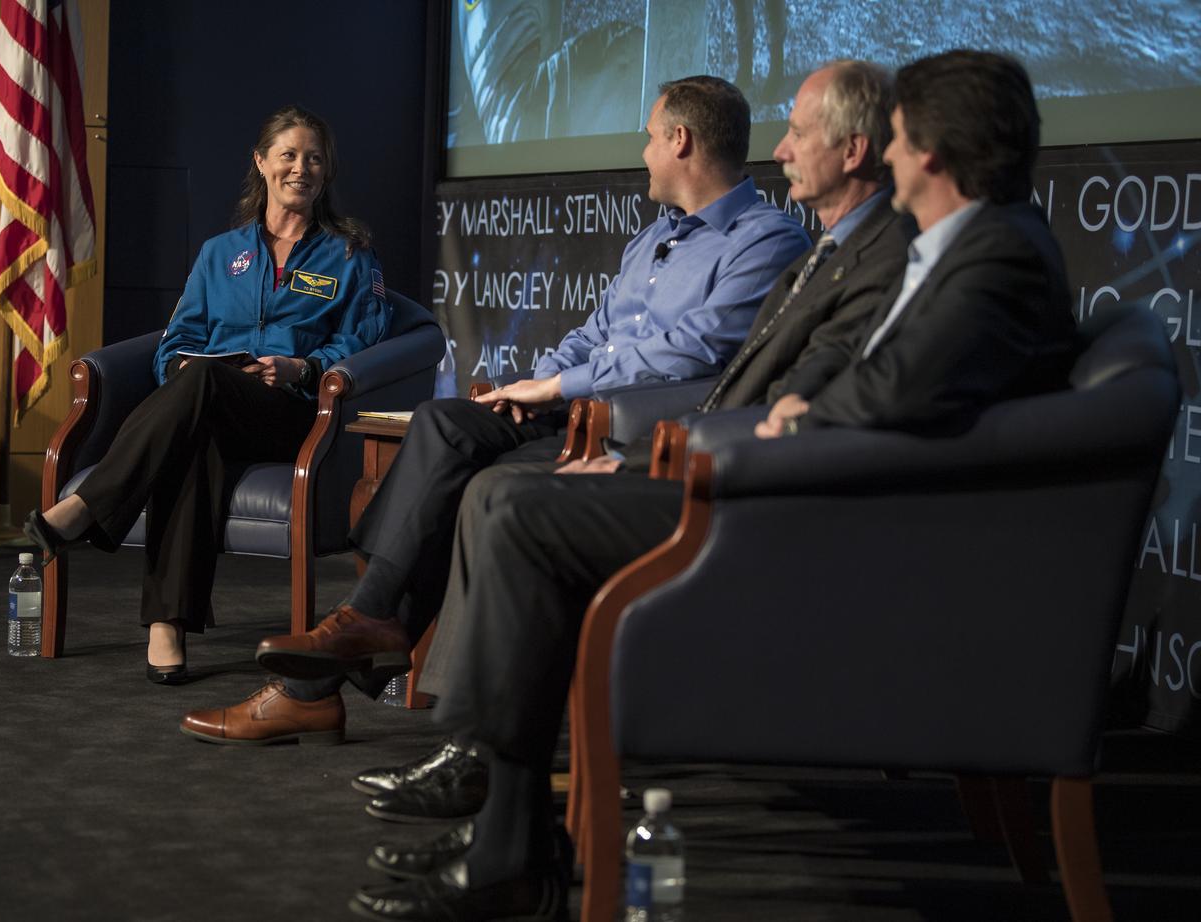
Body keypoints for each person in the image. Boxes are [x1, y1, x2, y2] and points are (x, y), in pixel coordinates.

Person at [347, 50, 1079, 922]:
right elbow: (866, 382)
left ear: (925, 149)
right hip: (778, 480)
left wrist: (778, 420)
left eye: (895, 136)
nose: (881, 151)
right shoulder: (946, 245)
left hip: (803, 521)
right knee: (508, 494)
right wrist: (754, 421)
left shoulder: (993, 251)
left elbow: (887, 397)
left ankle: (501, 819)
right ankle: (503, 815)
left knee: (518, 507)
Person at [359, 59, 916, 817]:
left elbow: (728, 370)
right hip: (671, 439)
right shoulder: (818, 248)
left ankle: (479, 757)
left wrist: (635, 448)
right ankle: (399, 658)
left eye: (795, 133)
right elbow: (651, 351)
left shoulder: (812, 246)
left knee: (505, 495)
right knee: (455, 429)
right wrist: (545, 386)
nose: (780, 151)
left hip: (716, 470)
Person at [180, 75, 810, 742]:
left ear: (680, 140)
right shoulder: (651, 239)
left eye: (650, 137)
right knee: (444, 421)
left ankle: (341, 673)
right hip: (570, 407)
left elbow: (696, 351)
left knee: (474, 484)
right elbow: (591, 333)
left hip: (635, 426)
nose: (644, 150)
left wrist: (560, 388)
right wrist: (533, 382)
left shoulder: (764, 239)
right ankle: (367, 628)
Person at [22, 105, 392, 685]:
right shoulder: (221, 253)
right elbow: (176, 344)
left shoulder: (349, 253)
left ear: (327, 171)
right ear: (262, 163)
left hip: (293, 412)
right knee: (194, 426)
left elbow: (364, 342)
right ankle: (166, 626)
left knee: (199, 391)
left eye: (314, 158)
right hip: (210, 401)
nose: (302, 168)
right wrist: (193, 368)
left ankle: (90, 505)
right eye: (289, 155)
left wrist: (302, 366)